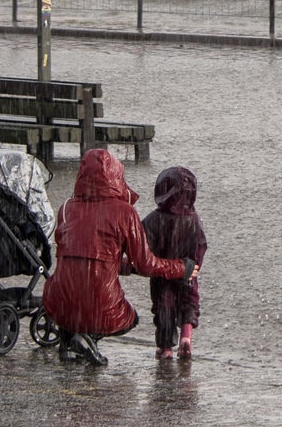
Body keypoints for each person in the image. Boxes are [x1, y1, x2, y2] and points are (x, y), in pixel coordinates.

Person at [42, 148, 186, 365]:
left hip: (58, 303)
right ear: (116, 177)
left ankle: (68, 341)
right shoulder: (125, 213)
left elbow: (74, 255)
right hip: (101, 306)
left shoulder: (65, 208)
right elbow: (146, 265)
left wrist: (117, 263)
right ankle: (87, 338)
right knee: (129, 318)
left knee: (72, 283)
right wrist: (180, 268)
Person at [142, 166, 209, 359]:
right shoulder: (193, 220)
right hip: (188, 269)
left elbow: (141, 244)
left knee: (164, 307)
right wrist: (194, 265)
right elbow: (201, 245)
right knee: (188, 302)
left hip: (161, 272)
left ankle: (166, 348)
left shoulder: (154, 219)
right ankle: (186, 338)